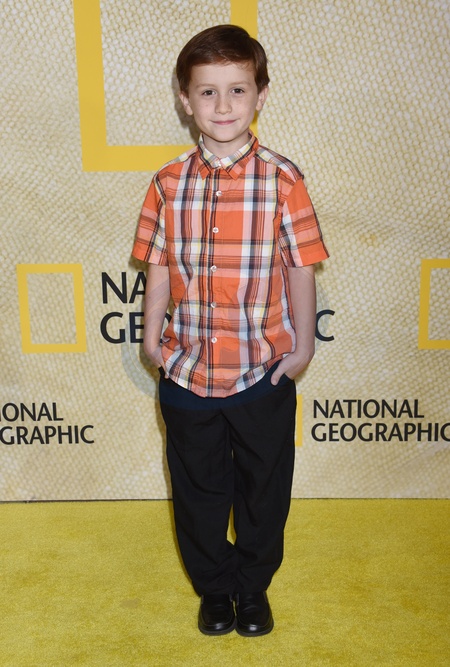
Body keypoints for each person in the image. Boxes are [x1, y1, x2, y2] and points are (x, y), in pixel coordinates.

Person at [132, 24, 329, 637]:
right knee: (198, 492)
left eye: (237, 89)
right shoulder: (167, 183)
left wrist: (302, 348)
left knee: (264, 492)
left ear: (261, 95)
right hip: (186, 373)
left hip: (261, 373)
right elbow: (158, 265)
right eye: (208, 91)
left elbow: (300, 268)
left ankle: (253, 587)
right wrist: (151, 340)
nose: (223, 105)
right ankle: (215, 590)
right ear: (185, 99)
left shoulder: (283, 180)